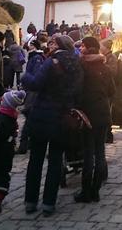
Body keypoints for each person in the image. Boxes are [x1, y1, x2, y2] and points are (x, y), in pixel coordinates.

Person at [21, 34, 83, 216]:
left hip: (42, 115)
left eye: (53, 43)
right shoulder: (78, 65)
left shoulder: (52, 62)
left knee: (36, 160)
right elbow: (78, 92)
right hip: (62, 117)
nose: (51, 45)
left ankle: (31, 201)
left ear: (60, 46)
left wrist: (25, 76)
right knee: (56, 162)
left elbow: (35, 84)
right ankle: (49, 203)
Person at [74, 37, 115, 203]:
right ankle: (96, 190)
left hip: (88, 114)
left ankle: (86, 191)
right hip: (103, 113)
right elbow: (112, 90)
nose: (81, 48)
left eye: (83, 45)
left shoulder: (82, 65)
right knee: (99, 152)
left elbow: (77, 90)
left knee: (89, 154)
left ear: (88, 47)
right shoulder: (105, 68)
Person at [17, 38, 46, 154]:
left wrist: (25, 79)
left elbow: (35, 76)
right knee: (30, 118)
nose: (29, 47)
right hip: (30, 91)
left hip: (32, 93)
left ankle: (24, 145)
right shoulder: (34, 57)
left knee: (29, 118)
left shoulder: (37, 58)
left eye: (31, 46)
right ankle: (27, 143)